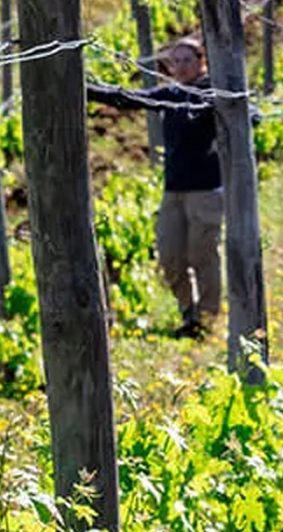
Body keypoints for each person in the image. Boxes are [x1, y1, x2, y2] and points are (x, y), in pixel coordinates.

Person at [88, 37, 223, 337]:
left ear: (202, 62)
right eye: (176, 61)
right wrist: (87, 90)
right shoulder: (170, 95)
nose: (181, 66)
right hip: (173, 190)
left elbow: (243, 114)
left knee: (202, 254)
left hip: (205, 189)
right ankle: (189, 313)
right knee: (170, 257)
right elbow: (129, 99)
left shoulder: (212, 92)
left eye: (187, 59)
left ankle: (207, 319)